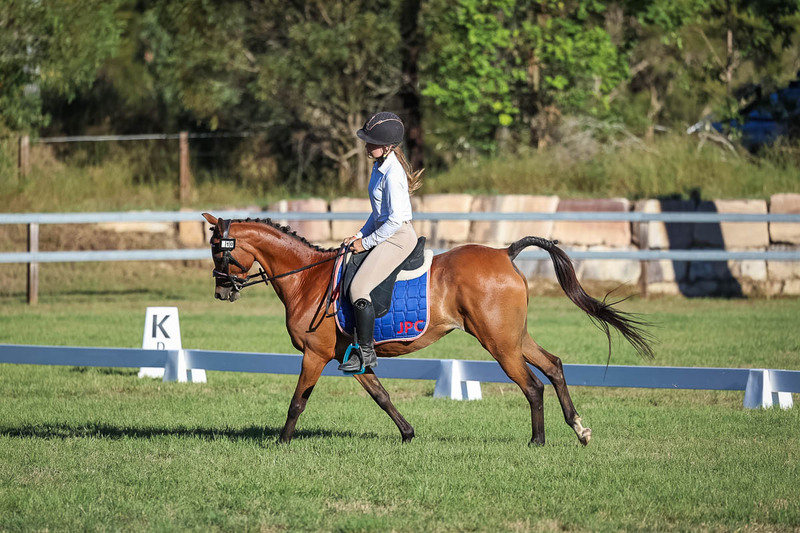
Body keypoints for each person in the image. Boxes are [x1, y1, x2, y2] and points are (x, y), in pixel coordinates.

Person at [338, 111, 423, 372]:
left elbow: (395, 221)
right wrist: (360, 235)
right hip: (386, 231)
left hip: (397, 238)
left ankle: (366, 353)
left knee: (359, 288)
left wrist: (366, 243)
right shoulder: (379, 167)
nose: (367, 145)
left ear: (387, 147)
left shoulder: (393, 174)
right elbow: (378, 214)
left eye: (372, 142)